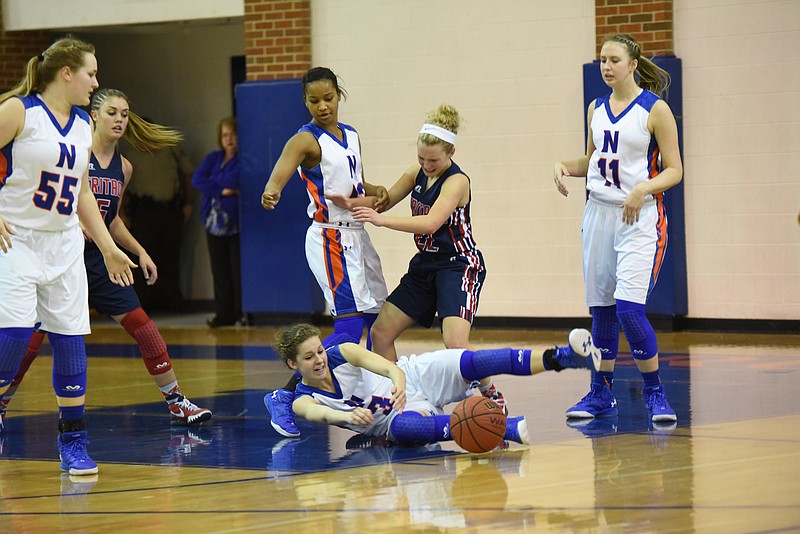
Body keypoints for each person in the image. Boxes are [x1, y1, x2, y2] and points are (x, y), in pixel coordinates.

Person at [0, 88, 212, 428]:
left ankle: (176, 401)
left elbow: (111, 218)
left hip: (101, 261)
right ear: (94, 116)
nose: (119, 120)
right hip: (62, 257)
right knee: (28, 342)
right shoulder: (70, 151)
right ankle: (3, 402)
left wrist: (139, 251)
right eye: (112, 112)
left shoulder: (124, 168)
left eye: (125, 114)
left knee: (145, 329)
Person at [0, 37, 137, 475]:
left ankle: (73, 441)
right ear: (66, 73)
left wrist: (110, 247)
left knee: (71, 343)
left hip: (63, 246)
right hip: (16, 240)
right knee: (14, 341)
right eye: (91, 73)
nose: (96, 82)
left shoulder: (82, 125)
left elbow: (82, 195)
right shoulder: (20, 112)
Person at [333, 104, 504, 409]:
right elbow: (384, 201)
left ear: (450, 152)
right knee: (381, 333)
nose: (426, 164)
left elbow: (430, 222)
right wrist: (350, 201)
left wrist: (380, 221)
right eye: (421, 158)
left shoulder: (457, 181)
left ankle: (491, 391)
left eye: (433, 160)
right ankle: (404, 399)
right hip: (425, 265)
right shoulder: (417, 172)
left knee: (455, 344)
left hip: (458, 265)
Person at [553, 33, 683, 423]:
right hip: (598, 215)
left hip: (639, 216)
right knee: (603, 312)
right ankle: (600, 393)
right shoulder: (595, 107)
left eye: (613, 60)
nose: (606, 67)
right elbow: (593, 161)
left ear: (632, 63)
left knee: (629, 310)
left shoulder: (655, 110)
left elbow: (675, 170)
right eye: (602, 61)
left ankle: (655, 394)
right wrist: (563, 166)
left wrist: (643, 187)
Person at [260, 66, 389, 437]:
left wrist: (377, 190)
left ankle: (367, 398)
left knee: (372, 321)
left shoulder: (351, 135)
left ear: (339, 96)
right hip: (330, 238)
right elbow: (279, 173)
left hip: (358, 235)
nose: (322, 106)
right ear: (305, 101)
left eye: (328, 98)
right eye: (314, 100)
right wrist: (272, 189)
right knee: (347, 327)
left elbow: (355, 183)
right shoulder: (304, 140)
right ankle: (284, 396)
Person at [273, 323, 601, 446]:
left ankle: (564, 357)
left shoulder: (341, 352)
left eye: (319, 351)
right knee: (404, 431)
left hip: (413, 375)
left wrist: (399, 381)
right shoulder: (303, 398)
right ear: (293, 364)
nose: (319, 360)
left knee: (472, 361)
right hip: (396, 417)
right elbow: (321, 416)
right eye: (308, 358)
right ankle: (505, 428)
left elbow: (387, 367)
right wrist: (345, 418)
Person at [120, 125, 194, 312]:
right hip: (144, 211)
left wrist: (189, 202)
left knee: (170, 257)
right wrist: (120, 213)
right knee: (142, 257)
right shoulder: (130, 153)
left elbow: (188, 174)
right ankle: (143, 303)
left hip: (169, 209)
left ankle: (172, 301)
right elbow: (121, 184)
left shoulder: (170, 148)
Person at [192, 116, 243, 328]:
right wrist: (222, 189)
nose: (229, 139)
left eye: (232, 134)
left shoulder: (243, 159)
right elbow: (197, 180)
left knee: (236, 271)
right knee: (219, 271)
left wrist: (214, 184)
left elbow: (237, 180)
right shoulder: (214, 158)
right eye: (225, 135)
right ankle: (224, 315)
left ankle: (241, 313)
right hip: (212, 223)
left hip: (235, 224)